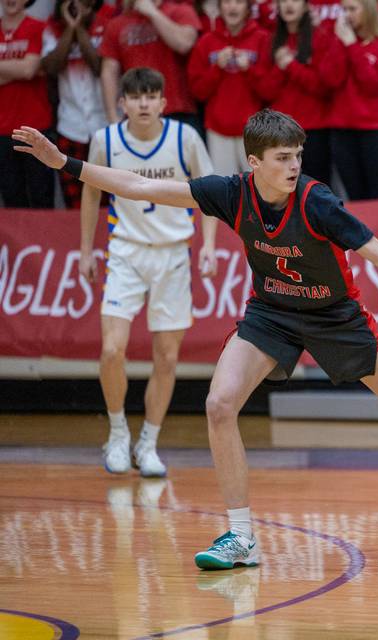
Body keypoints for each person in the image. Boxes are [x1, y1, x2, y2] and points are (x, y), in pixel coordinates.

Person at [14, 108, 378, 571]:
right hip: (271, 314)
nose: (294, 166)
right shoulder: (230, 193)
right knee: (220, 403)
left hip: (335, 316)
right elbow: (145, 186)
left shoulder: (318, 202)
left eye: (297, 156)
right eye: (282, 158)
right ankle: (242, 536)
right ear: (254, 163)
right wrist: (67, 164)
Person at [76, 67, 218, 477]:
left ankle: (149, 443)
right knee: (111, 350)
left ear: (162, 102)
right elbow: (90, 192)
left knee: (168, 357)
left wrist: (208, 245)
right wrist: (86, 249)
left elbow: (208, 192)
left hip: (173, 254)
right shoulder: (105, 141)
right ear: (122, 103)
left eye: (150, 96)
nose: (142, 103)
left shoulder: (184, 138)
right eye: (134, 96)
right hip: (125, 252)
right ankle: (118, 432)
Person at [259, 0, 345, 185]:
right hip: (280, 130)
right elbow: (265, 90)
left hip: (314, 128)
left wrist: (291, 66)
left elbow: (323, 86)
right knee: (282, 190)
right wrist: (280, 68)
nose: (289, 5)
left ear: (307, 5)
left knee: (316, 190)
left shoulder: (320, 37)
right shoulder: (270, 40)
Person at [41, 0, 113, 209]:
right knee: (74, 201)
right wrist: (70, 29)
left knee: (110, 196)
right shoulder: (53, 28)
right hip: (70, 126)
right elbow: (51, 67)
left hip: (104, 123)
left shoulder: (107, 22)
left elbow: (99, 66)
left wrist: (79, 29)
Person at [188, 0, 272, 175]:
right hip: (218, 131)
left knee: (258, 191)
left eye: (239, 2)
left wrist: (249, 70)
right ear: (219, 7)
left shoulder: (263, 39)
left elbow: (270, 90)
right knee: (224, 193)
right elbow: (198, 92)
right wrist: (216, 68)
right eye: (227, 2)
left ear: (248, 8)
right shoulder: (206, 42)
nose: (232, 7)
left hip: (254, 131)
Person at [329, 0, 378, 200]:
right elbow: (331, 79)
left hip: (377, 130)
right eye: (344, 9)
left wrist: (352, 46)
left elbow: (373, 85)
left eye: (352, 9)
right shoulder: (339, 42)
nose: (346, 15)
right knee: (355, 198)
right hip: (343, 129)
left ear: (368, 11)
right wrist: (339, 43)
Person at [99, 0, 202, 130]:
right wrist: (112, 116)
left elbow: (184, 44)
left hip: (178, 113)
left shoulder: (181, 11)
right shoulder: (116, 23)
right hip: (136, 114)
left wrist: (152, 12)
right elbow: (109, 72)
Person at [0, 0, 55, 208]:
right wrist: (20, 68)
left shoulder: (38, 27)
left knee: (42, 198)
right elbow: (25, 69)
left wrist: (24, 69)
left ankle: (47, 241)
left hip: (35, 127)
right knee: (12, 200)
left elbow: (29, 70)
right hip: (2, 131)